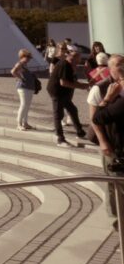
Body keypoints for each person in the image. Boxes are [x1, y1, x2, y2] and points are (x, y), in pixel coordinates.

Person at [90, 54, 124, 229]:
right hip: (111, 142)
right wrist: (103, 141)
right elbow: (94, 119)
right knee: (113, 181)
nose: (122, 67)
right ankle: (116, 216)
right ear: (110, 68)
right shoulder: (100, 88)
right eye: (118, 64)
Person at [48, 46, 89, 147]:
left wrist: (83, 85)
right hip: (57, 92)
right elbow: (64, 82)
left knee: (72, 110)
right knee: (58, 115)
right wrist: (81, 86)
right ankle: (60, 139)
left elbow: (71, 81)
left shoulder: (69, 65)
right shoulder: (64, 65)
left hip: (63, 93)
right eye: (78, 60)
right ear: (73, 58)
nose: (79, 62)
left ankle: (80, 132)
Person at [11, 48, 37, 130]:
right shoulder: (20, 63)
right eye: (28, 57)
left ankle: (25, 123)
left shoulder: (25, 64)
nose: (29, 59)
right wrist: (20, 78)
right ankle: (19, 124)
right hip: (23, 87)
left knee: (27, 105)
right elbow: (13, 71)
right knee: (23, 105)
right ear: (22, 56)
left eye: (29, 57)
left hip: (28, 87)